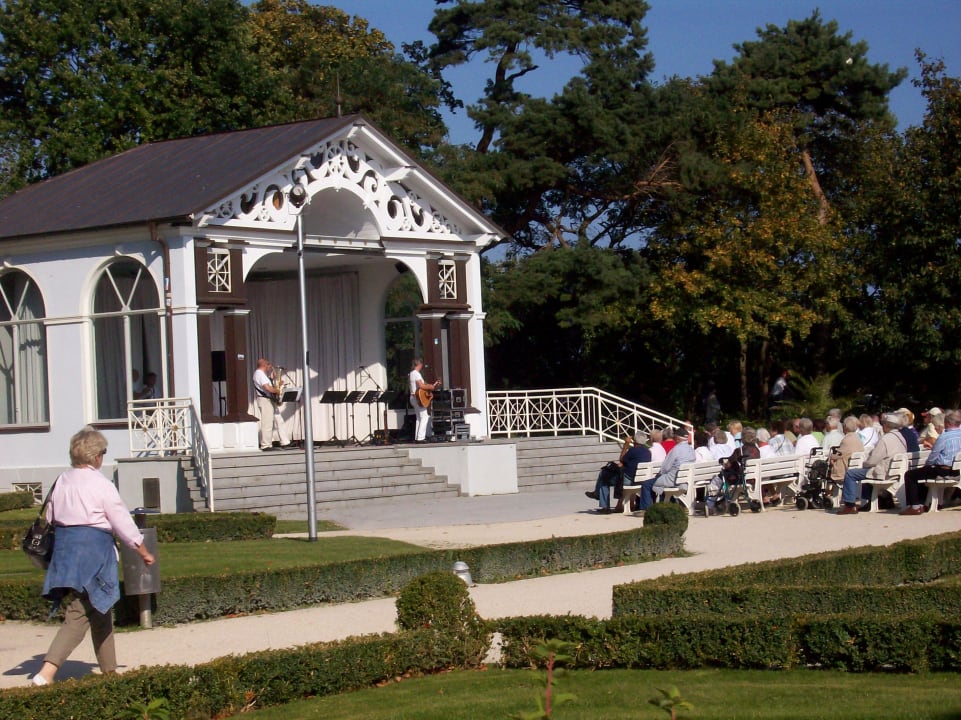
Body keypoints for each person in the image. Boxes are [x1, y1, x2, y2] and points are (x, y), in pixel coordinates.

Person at [31, 428, 155, 686]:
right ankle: (46, 672)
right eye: (103, 453)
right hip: (93, 553)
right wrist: (142, 550)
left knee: (101, 608)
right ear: (97, 456)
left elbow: (51, 517)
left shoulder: (62, 481)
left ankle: (109, 672)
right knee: (80, 611)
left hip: (66, 553)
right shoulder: (101, 484)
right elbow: (121, 521)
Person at [838, 413, 907, 514]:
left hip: (883, 472)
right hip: (895, 470)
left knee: (851, 473)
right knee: (866, 472)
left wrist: (865, 463)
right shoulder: (901, 437)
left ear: (887, 425)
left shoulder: (885, 439)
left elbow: (872, 461)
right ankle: (876, 501)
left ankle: (849, 505)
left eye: (883, 424)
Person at [900, 409, 961, 515]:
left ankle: (915, 507)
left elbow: (933, 456)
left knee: (910, 475)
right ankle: (923, 503)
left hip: (944, 470)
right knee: (922, 473)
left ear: (947, 423)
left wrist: (927, 465)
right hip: (957, 470)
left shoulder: (944, 437)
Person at [586, 431, 651, 513]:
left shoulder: (632, 451)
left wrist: (625, 445)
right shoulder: (648, 452)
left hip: (628, 480)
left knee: (604, 475)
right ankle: (597, 494)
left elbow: (621, 459)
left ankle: (604, 505)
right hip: (640, 481)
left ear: (635, 440)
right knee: (607, 473)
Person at [636, 434, 695, 512]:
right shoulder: (691, 449)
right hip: (686, 479)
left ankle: (646, 509)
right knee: (658, 481)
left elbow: (665, 467)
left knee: (647, 484)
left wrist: (660, 474)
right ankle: (669, 504)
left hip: (673, 479)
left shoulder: (676, 450)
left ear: (677, 439)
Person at [253, 358, 291, 451]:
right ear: (264, 365)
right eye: (268, 365)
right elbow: (267, 388)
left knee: (279, 420)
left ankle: (285, 442)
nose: (269, 367)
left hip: (269, 399)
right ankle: (266, 445)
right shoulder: (259, 374)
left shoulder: (262, 375)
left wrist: (275, 381)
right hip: (265, 400)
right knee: (268, 423)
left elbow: (269, 386)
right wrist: (278, 390)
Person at [408, 358, 439, 443]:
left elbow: (423, 385)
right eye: (421, 365)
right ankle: (420, 438)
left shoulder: (411, 373)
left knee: (419, 418)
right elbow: (421, 385)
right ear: (419, 364)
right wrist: (431, 387)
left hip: (413, 397)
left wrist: (432, 385)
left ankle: (417, 437)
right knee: (424, 417)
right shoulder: (416, 373)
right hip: (418, 398)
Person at [829, 415, 865, 486]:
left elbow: (838, 455)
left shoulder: (847, 440)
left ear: (845, 426)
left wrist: (830, 456)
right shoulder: (858, 439)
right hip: (855, 469)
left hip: (844, 472)